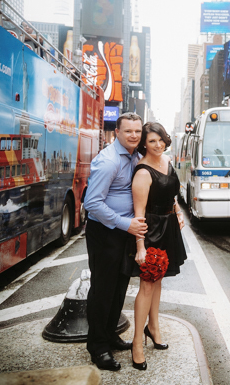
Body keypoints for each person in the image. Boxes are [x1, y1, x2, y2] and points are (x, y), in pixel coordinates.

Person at [83, 112, 147, 372]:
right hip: (105, 233)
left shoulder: (136, 157)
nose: (134, 135)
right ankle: (97, 346)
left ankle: (109, 335)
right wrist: (125, 223)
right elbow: (92, 203)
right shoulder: (109, 161)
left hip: (125, 232)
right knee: (103, 289)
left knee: (120, 286)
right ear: (117, 133)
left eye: (137, 131)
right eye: (128, 131)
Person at [126, 122, 187, 370]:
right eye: (152, 141)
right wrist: (140, 247)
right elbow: (138, 214)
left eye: (160, 139)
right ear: (144, 144)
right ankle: (137, 343)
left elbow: (171, 195)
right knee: (147, 286)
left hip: (168, 227)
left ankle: (153, 327)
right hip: (151, 231)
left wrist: (178, 211)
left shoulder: (167, 162)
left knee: (158, 281)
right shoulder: (142, 171)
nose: (158, 144)